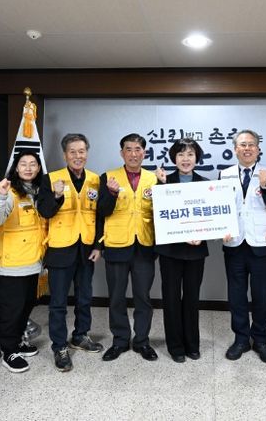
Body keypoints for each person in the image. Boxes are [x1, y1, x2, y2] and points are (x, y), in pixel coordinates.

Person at [36, 133, 103, 372]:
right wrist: (56, 196)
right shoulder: (51, 179)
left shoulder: (95, 179)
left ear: (87, 153)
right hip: (60, 249)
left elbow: (100, 216)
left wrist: (98, 246)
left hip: (86, 248)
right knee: (58, 303)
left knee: (84, 298)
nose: (77, 156)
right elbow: (44, 211)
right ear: (65, 155)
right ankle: (59, 346)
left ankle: (80, 335)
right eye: (72, 152)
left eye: (81, 151)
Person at [220, 130, 266, 362]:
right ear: (235, 149)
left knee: (261, 295)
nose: (247, 149)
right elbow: (219, 207)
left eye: (251, 145)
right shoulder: (224, 174)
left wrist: (265, 186)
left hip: (261, 243)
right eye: (242, 145)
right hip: (234, 243)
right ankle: (241, 339)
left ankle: (261, 340)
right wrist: (220, 229)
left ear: (258, 149)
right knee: (236, 295)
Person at [97, 133, 158, 361]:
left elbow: (162, 213)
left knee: (143, 297)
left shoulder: (154, 179)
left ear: (144, 153)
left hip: (144, 245)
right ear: (121, 153)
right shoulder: (108, 177)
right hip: (116, 245)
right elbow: (101, 212)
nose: (133, 154)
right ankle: (120, 341)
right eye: (128, 149)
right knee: (116, 297)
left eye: (138, 149)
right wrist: (111, 193)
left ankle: (142, 341)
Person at [0, 150, 45, 373]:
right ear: (16, 168)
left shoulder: (38, 192)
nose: (28, 168)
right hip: (12, 265)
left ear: (39, 168)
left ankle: (18, 341)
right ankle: (8, 351)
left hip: (34, 262)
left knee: (26, 306)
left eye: (33, 164)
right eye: (23, 164)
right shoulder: (8, 192)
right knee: (11, 311)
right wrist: (0, 196)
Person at [154, 138, 210, 363]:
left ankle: (192, 344)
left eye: (190, 154)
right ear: (174, 158)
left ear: (197, 158)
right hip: (170, 251)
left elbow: (211, 217)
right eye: (181, 154)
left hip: (196, 251)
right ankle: (175, 346)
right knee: (171, 298)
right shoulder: (164, 182)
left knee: (192, 298)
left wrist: (203, 234)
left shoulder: (206, 184)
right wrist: (160, 186)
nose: (185, 159)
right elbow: (158, 215)